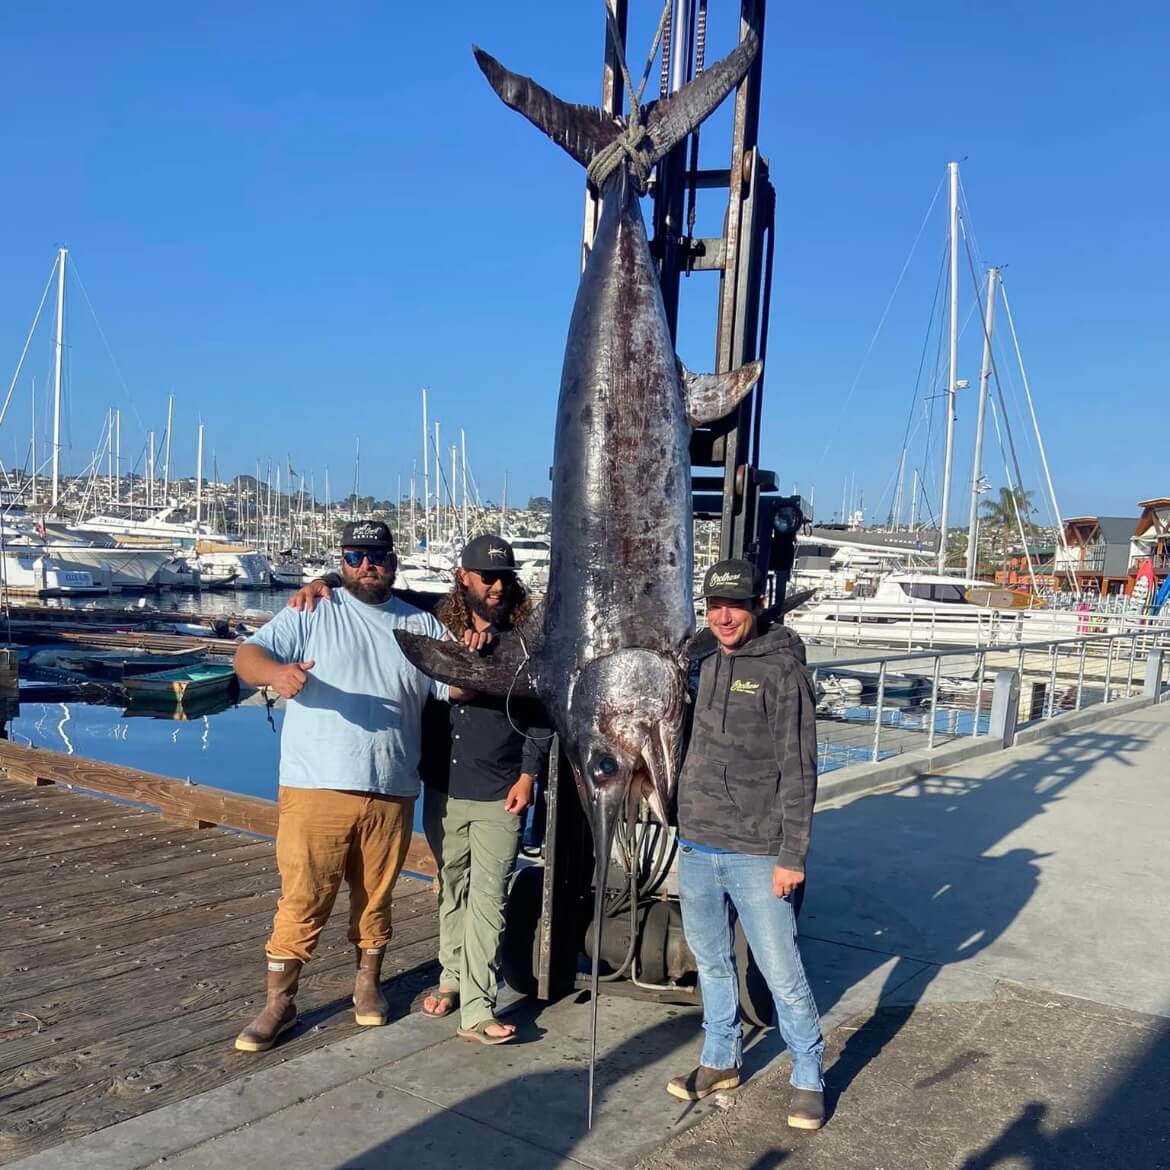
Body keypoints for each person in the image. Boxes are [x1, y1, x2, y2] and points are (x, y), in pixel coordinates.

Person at [289, 534, 549, 1046]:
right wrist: (322, 581)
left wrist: (529, 775)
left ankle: (477, 1007)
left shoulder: (525, 640)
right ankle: (452, 976)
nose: (496, 587)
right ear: (463, 577)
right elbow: (374, 590)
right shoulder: (433, 622)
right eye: (486, 577)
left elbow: (544, 711)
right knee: (451, 886)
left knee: (489, 896)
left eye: (504, 577)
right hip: (442, 784)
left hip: (501, 787)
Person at [232, 520, 460, 1053]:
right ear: (341, 560)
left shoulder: (422, 624)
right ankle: (279, 1002)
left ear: (393, 561)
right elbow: (246, 657)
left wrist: (477, 658)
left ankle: (367, 983)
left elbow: (456, 685)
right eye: (354, 556)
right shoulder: (314, 609)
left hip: (393, 786)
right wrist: (275, 675)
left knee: (376, 896)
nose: (366, 565)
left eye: (376, 555)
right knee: (303, 896)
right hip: (316, 785)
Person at [668, 558, 827, 1131]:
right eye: (715, 606)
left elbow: (800, 770)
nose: (724, 617)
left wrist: (792, 856)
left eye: (735, 605)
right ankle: (721, 1058)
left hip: (757, 851)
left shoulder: (783, 672)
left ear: (758, 605)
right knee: (711, 963)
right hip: (696, 843)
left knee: (780, 971)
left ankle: (808, 1075)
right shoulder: (701, 662)